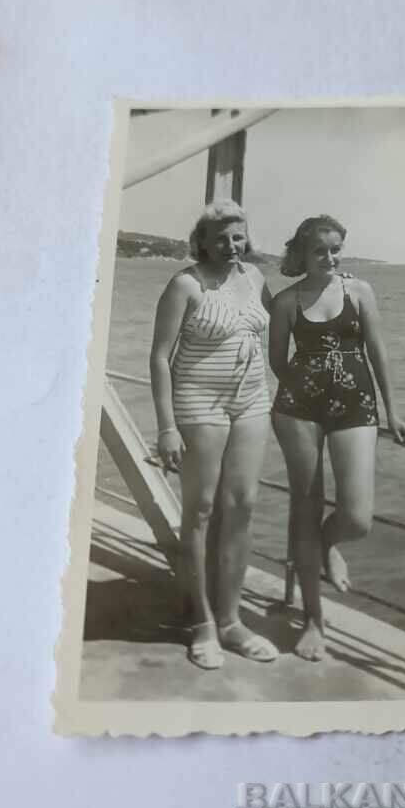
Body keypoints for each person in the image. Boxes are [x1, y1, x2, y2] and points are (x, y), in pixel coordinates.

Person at [269, 214, 405, 662]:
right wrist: (306, 388)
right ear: (302, 253)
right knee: (306, 506)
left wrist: (392, 412)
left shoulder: (360, 292)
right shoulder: (287, 301)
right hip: (298, 409)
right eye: (320, 250)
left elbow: (377, 351)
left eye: (336, 249)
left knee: (356, 517)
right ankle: (314, 619)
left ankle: (328, 544)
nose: (330, 258)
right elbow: (277, 360)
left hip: (356, 404)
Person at [149, 200, 278, 670]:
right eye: (220, 238)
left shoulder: (256, 278)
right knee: (201, 510)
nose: (231, 245)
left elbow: (284, 325)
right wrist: (166, 427)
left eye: (238, 236)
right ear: (201, 241)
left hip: (252, 401)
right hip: (198, 402)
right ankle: (202, 623)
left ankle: (231, 621)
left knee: (242, 505)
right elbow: (160, 357)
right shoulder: (185, 284)